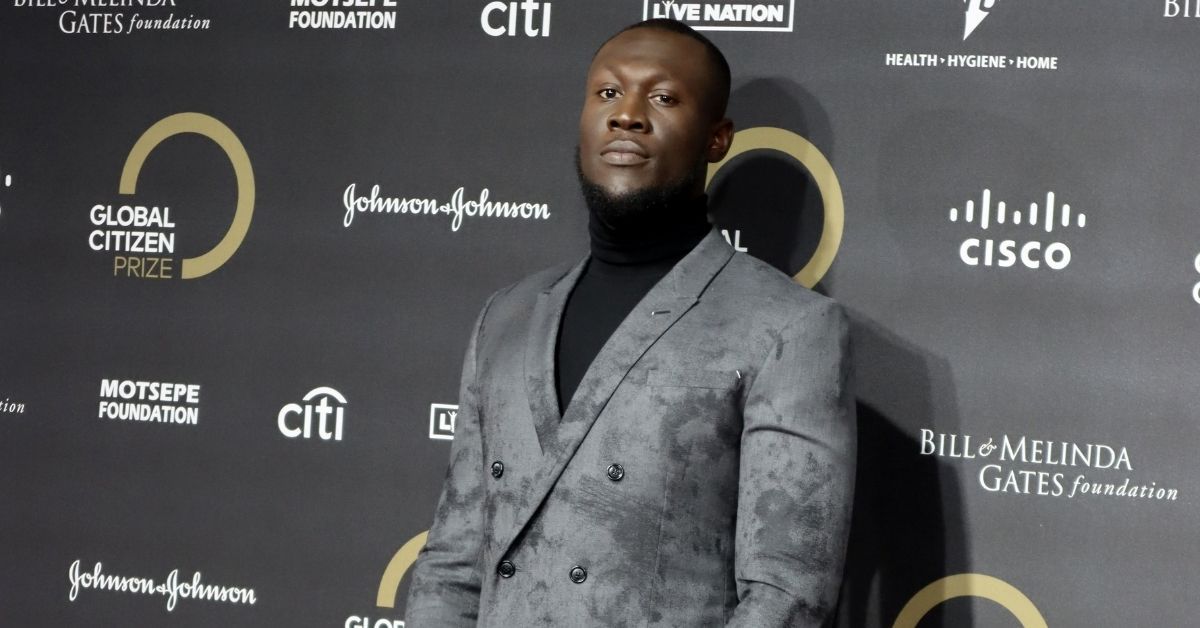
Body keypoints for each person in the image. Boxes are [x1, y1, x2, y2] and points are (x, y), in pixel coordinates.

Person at [405, 18, 855, 627]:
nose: (627, 115)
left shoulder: (789, 329)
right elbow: (452, 564)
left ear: (717, 139)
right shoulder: (506, 315)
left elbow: (786, 598)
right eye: (609, 93)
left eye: (664, 98)